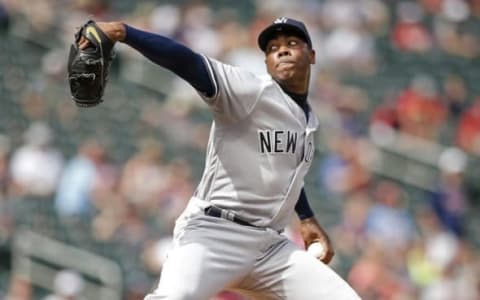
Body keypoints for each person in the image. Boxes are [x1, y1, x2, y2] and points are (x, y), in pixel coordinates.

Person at [78, 16, 360, 299]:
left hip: (270, 248)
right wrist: (125, 33)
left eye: (292, 43)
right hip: (214, 233)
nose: (282, 50)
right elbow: (189, 63)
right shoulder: (251, 92)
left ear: (311, 56)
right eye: (273, 48)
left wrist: (307, 217)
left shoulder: (306, 118)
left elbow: (284, 172)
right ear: (267, 62)